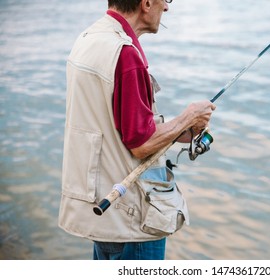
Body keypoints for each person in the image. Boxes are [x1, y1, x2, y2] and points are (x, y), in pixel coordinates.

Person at [58, 0, 216, 260]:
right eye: (166, 0)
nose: (166, 7)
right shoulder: (126, 54)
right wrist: (190, 115)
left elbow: (113, 124)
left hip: (102, 210)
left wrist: (181, 129)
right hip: (131, 219)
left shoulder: (88, 38)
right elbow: (140, 143)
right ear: (146, 3)